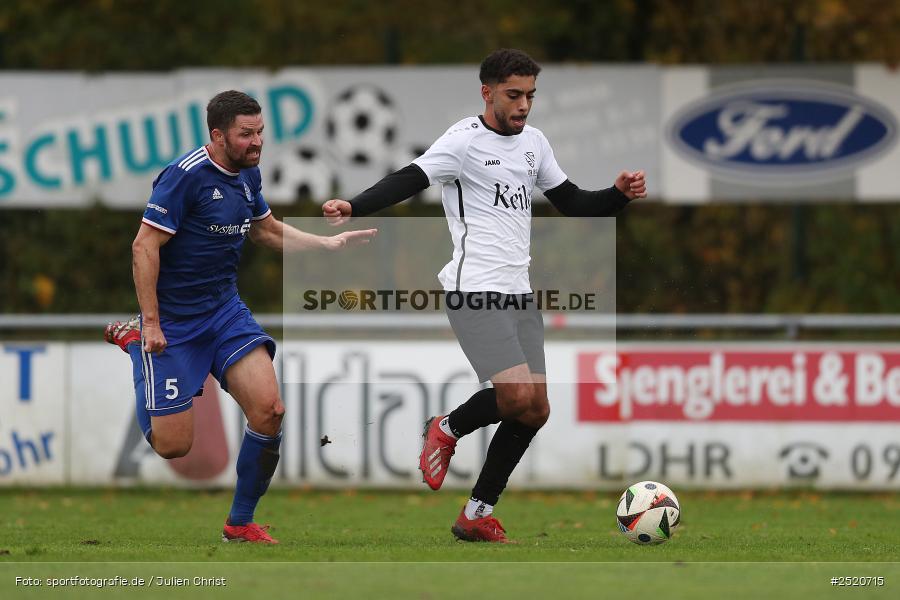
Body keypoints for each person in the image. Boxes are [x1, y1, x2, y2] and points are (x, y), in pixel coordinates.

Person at [323, 49, 646, 543]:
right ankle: (447, 428)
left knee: (535, 409)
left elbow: (574, 202)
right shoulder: (463, 141)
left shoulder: (535, 143)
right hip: (474, 290)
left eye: (530, 95)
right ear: (487, 92)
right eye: (514, 95)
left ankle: (476, 513)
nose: (524, 105)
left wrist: (618, 194)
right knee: (516, 396)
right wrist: (355, 204)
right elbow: (410, 178)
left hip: (519, 294)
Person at [105, 90, 376, 544]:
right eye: (246, 134)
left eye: (260, 132)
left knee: (270, 411)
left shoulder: (248, 174)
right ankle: (135, 345)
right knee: (174, 445)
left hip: (224, 313)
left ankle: (239, 523)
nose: (257, 142)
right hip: (173, 323)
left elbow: (265, 230)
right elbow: (143, 245)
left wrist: (326, 245)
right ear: (218, 135)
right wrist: (150, 323)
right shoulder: (184, 177)